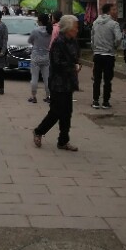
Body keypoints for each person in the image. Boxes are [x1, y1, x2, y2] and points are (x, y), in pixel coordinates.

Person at [33, 14, 82, 151]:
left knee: (67, 113)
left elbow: (77, 57)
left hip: (69, 82)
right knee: (56, 112)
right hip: (57, 83)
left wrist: (77, 65)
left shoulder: (73, 41)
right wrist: (72, 67)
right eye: (75, 27)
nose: (77, 30)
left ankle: (63, 141)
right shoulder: (58, 42)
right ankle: (39, 131)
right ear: (67, 28)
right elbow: (57, 63)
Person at [91, 3, 122, 109]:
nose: (115, 11)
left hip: (98, 54)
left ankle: (95, 101)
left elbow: (92, 38)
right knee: (107, 80)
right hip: (109, 55)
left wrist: (95, 49)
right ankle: (105, 102)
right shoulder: (114, 24)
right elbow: (118, 38)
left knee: (97, 79)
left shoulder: (95, 23)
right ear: (108, 11)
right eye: (113, 9)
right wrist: (114, 46)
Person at [27, 13, 53, 104]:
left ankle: (33, 96)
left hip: (36, 55)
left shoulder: (35, 30)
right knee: (47, 78)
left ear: (40, 21)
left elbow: (29, 41)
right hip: (46, 56)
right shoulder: (50, 30)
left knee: (34, 77)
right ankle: (48, 96)